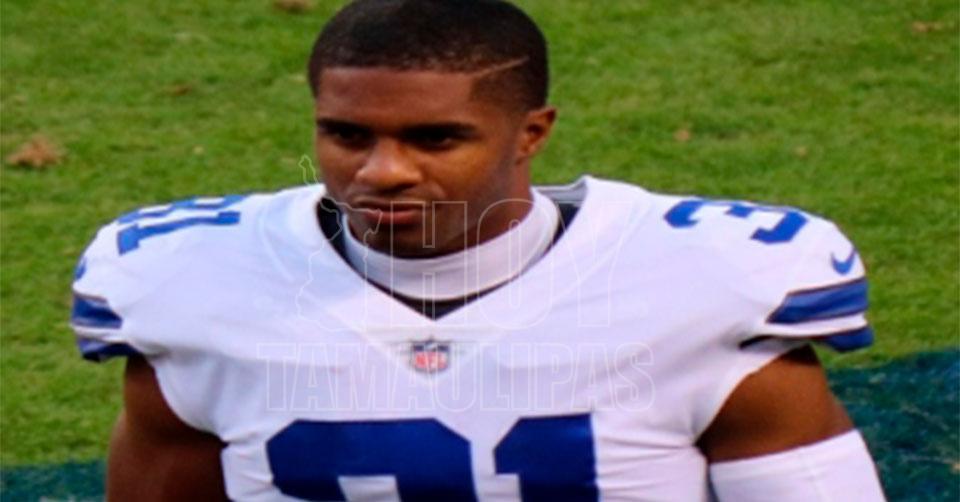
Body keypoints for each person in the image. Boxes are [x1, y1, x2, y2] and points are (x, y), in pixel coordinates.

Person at [70, 0, 887, 500]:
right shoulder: (195, 285)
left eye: (435, 138)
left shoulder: (705, 283)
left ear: (531, 133)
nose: (382, 172)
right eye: (346, 135)